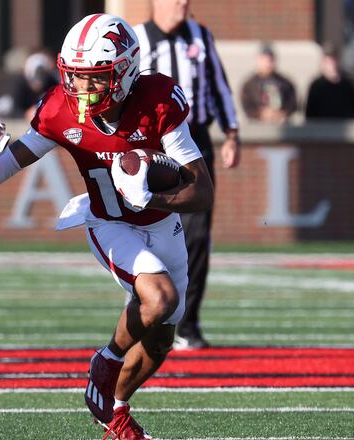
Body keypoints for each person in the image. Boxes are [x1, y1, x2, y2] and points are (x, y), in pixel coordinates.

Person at [0, 13, 213, 440]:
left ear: (125, 71)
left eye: (93, 77)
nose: (80, 88)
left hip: (161, 223)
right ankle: (106, 360)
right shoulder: (60, 109)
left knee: (161, 338)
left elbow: (203, 193)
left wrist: (153, 197)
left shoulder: (157, 101)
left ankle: (115, 412)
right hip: (107, 221)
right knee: (160, 299)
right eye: (75, 76)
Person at [133, 0, 240, 350]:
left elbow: (219, 85)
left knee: (196, 234)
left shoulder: (200, 35)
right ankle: (147, 314)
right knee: (147, 229)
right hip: (154, 145)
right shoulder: (136, 39)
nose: (183, 3)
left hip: (196, 141)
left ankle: (187, 324)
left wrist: (232, 133)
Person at [0, 49, 60, 121]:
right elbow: (14, 109)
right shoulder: (20, 83)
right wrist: (26, 114)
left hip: (43, 115)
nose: (37, 85)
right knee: (6, 104)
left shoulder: (52, 82)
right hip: (22, 113)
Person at [240, 43, 298, 123]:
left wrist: (281, 113)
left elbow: (293, 103)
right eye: (264, 60)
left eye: (270, 60)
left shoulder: (285, 83)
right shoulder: (249, 84)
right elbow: (247, 106)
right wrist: (261, 113)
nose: (267, 63)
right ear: (258, 60)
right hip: (258, 125)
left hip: (281, 124)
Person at [305, 43, 354, 119]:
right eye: (327, 60)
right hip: (322, 127)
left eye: (333, 59)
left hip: (343, 125)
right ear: (323, 62)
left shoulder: (348, 85)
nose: (331, 63)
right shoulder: (316, 86)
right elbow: (309, 114)